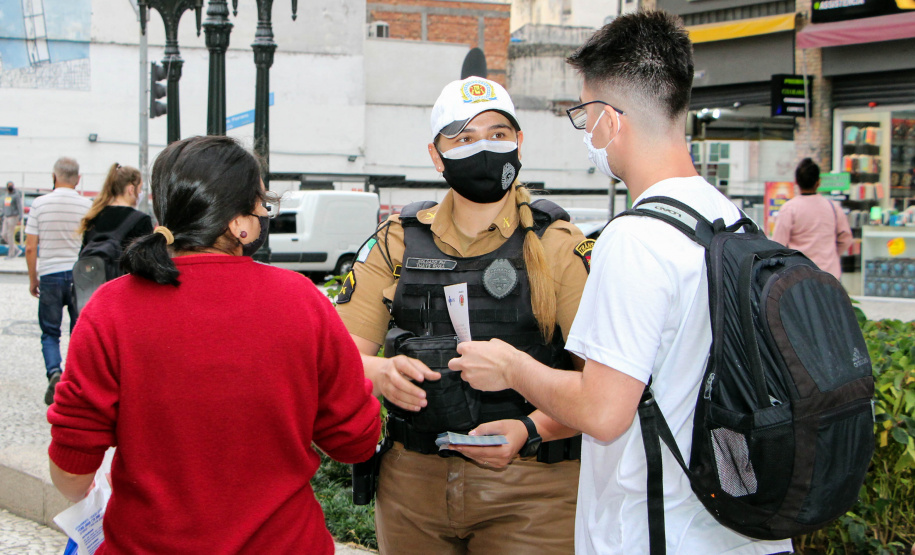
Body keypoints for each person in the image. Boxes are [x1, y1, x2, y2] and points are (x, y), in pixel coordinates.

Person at [450, 12, 794, 555]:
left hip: (657, 531)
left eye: (585, 115)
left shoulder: (636, 239)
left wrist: (512, 367)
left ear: (610, 121)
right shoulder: (732, 219)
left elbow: (603, 412)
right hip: (740, 528)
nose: (587, 131)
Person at [46, 135, 381, 554]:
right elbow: (355, 441)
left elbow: (72, 473)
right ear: (240, 223)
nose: (265, 216)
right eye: (262, 204)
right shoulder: (301, 301)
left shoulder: (109, 309)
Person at [335, 76, 592, 554]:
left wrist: (531, 428)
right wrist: (382, 373)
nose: (484, 148)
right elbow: (339, 358)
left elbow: (602, 387)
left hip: (533, 489)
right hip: (413, 488)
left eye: (498, 134)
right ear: (436, 156)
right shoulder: (396, 240)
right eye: (464, 138)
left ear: (519, 143)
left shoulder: (557, 244)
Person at [24, 157, 92, 405]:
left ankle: (54, 372)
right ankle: (73, 380)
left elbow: (30, 247)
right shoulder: (87, 205)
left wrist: (34, 278)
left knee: (50, 332)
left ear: (54, 176)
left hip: (50, 275)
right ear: (78, 179)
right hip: (78, 276)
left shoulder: (39, 204)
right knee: (78, 331)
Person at [772, 158, 853, 280]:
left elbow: (778, 245)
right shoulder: (833, 207)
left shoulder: (789, 209)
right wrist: (832, 255)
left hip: (799, 276)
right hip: (829, 275)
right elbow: (846, 238)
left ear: (796, 181)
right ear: (818, 182)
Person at [76, 163, 153, 260]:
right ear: (131, 189)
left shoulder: (93, 216)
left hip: (96, 270)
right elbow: (147, 260)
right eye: (140, 188)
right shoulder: (141, 220)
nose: (140, 193)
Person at [3, 181, 23, 259]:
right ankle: (16, 249)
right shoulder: (7, 195)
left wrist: (20, 217)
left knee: (10, 235)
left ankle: (11, 254)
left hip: (13, 216)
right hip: (6, 216)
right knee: (4, 234)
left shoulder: (16, 195)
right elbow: (5, 206)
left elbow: (19, 206)